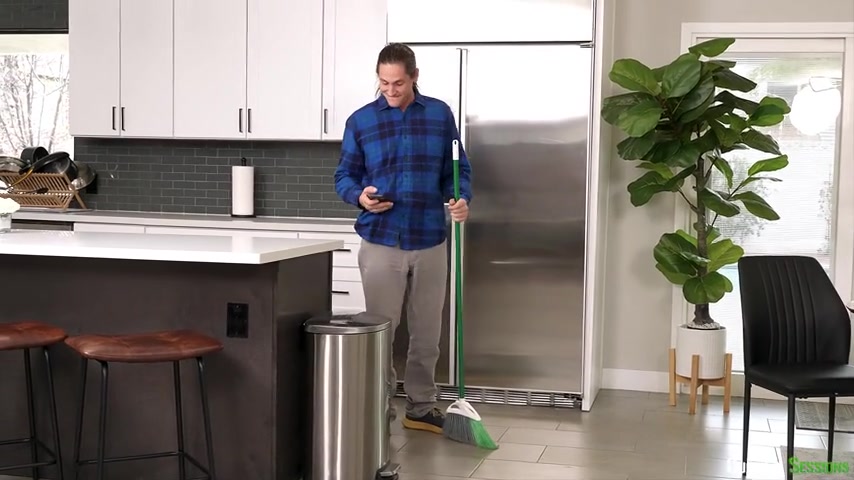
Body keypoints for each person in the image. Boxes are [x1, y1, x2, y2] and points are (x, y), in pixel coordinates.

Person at [333, 42, 472, 434]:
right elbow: (344, 176)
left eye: (398, 83)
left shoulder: (440, 115)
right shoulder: (361, 121)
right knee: (381, 332)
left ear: (414, 77)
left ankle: (421, 407)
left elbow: (457, 170)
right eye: (384, 83)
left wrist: (461, 198)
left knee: (427, 333)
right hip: (382, 239)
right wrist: (359, 196)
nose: (390, 90)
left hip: (429, 238)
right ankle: (378, 411)